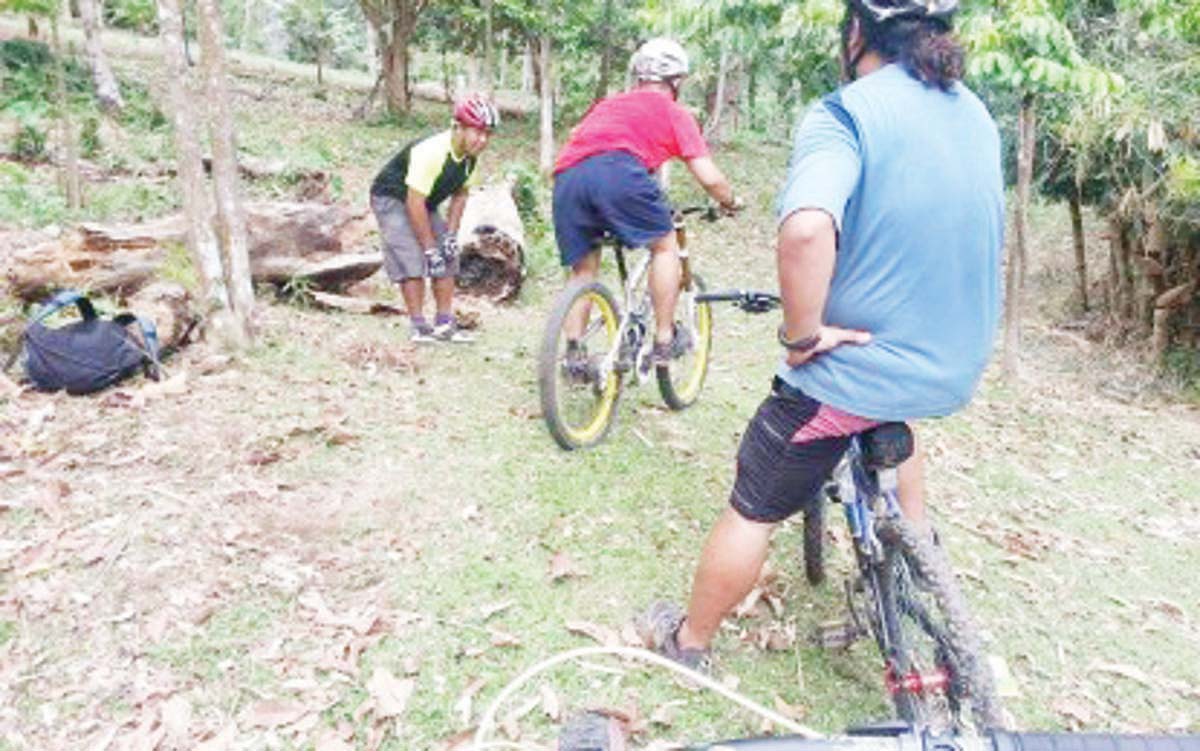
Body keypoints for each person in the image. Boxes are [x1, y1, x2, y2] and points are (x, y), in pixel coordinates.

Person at [642, 0, 1004, 668]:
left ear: (857, 31)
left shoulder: (847, 112)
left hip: (854, 372)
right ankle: (915, 558)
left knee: (753, 498)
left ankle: (689, 641)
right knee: (895, 423)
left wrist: (803, 334)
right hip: (952, 364)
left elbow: (807, 230)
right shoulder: (977, 113)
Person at [552, 37, 742, 367]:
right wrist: (730, 201)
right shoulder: (674, 112)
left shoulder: (608, 105)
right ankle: (664, 341)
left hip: (568, 178)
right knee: (664, 245)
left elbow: (582, 143)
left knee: (584, 270)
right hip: (618, 173)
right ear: (677, 80)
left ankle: (573, 354)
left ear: (639, 76)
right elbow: (709, 178)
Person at [369, 94, 499, 343]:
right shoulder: (432, 151)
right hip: (392, 197)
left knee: (447, 255)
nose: (482, 140)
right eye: (477, 132)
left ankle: (443, 322)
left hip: (424, 200)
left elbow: (460, 195)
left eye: (488, 134)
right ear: (458, 127)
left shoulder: (470, 160)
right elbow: (413, 202)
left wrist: (450, 235)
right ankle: (418, 325)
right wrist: (429, 249)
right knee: (411, 255)